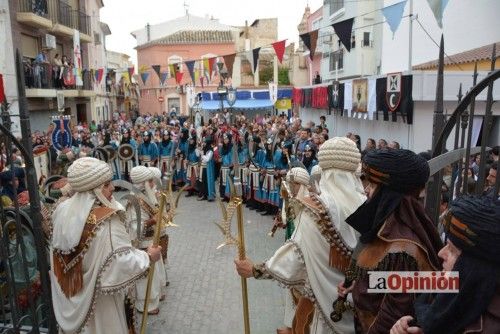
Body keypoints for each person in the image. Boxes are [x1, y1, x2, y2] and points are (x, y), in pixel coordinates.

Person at [235, 137, 366, 334]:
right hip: (365, 315)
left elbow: (294, 257)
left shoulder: (317, 210)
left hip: (327, 316)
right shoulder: (371, 207)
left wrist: (255, 270)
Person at [50, 157, 162, 333]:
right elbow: (119, 264)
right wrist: (148, 257)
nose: (112, 188)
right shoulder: (107, 221)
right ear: (94, 189)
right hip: (102, 306)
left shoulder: (62, 211)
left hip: (73, 300)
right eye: (106, 184)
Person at [340, 149, 442, 333]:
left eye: (372, 185)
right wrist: (355, 280)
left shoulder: (403, 249)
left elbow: (393, 313)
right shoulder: (383, 228)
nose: (366, 190)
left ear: (388, 192)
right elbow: (368, 257)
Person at [391, 195, 500, 334]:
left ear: (476, 267)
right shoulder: (456, 286)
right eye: (446, 245)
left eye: (453, 250)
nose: (441, 253)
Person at [127, 166, 167, 315]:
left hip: (152, 242)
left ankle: (156, 297)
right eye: (150, 181)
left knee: (157, 273)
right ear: (142, 182)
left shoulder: (145, 195)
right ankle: (145, 306)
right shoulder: (134, 200)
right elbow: (134, 228)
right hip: (143, 246)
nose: (152, 184)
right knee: (146, 277)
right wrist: (152, 221)